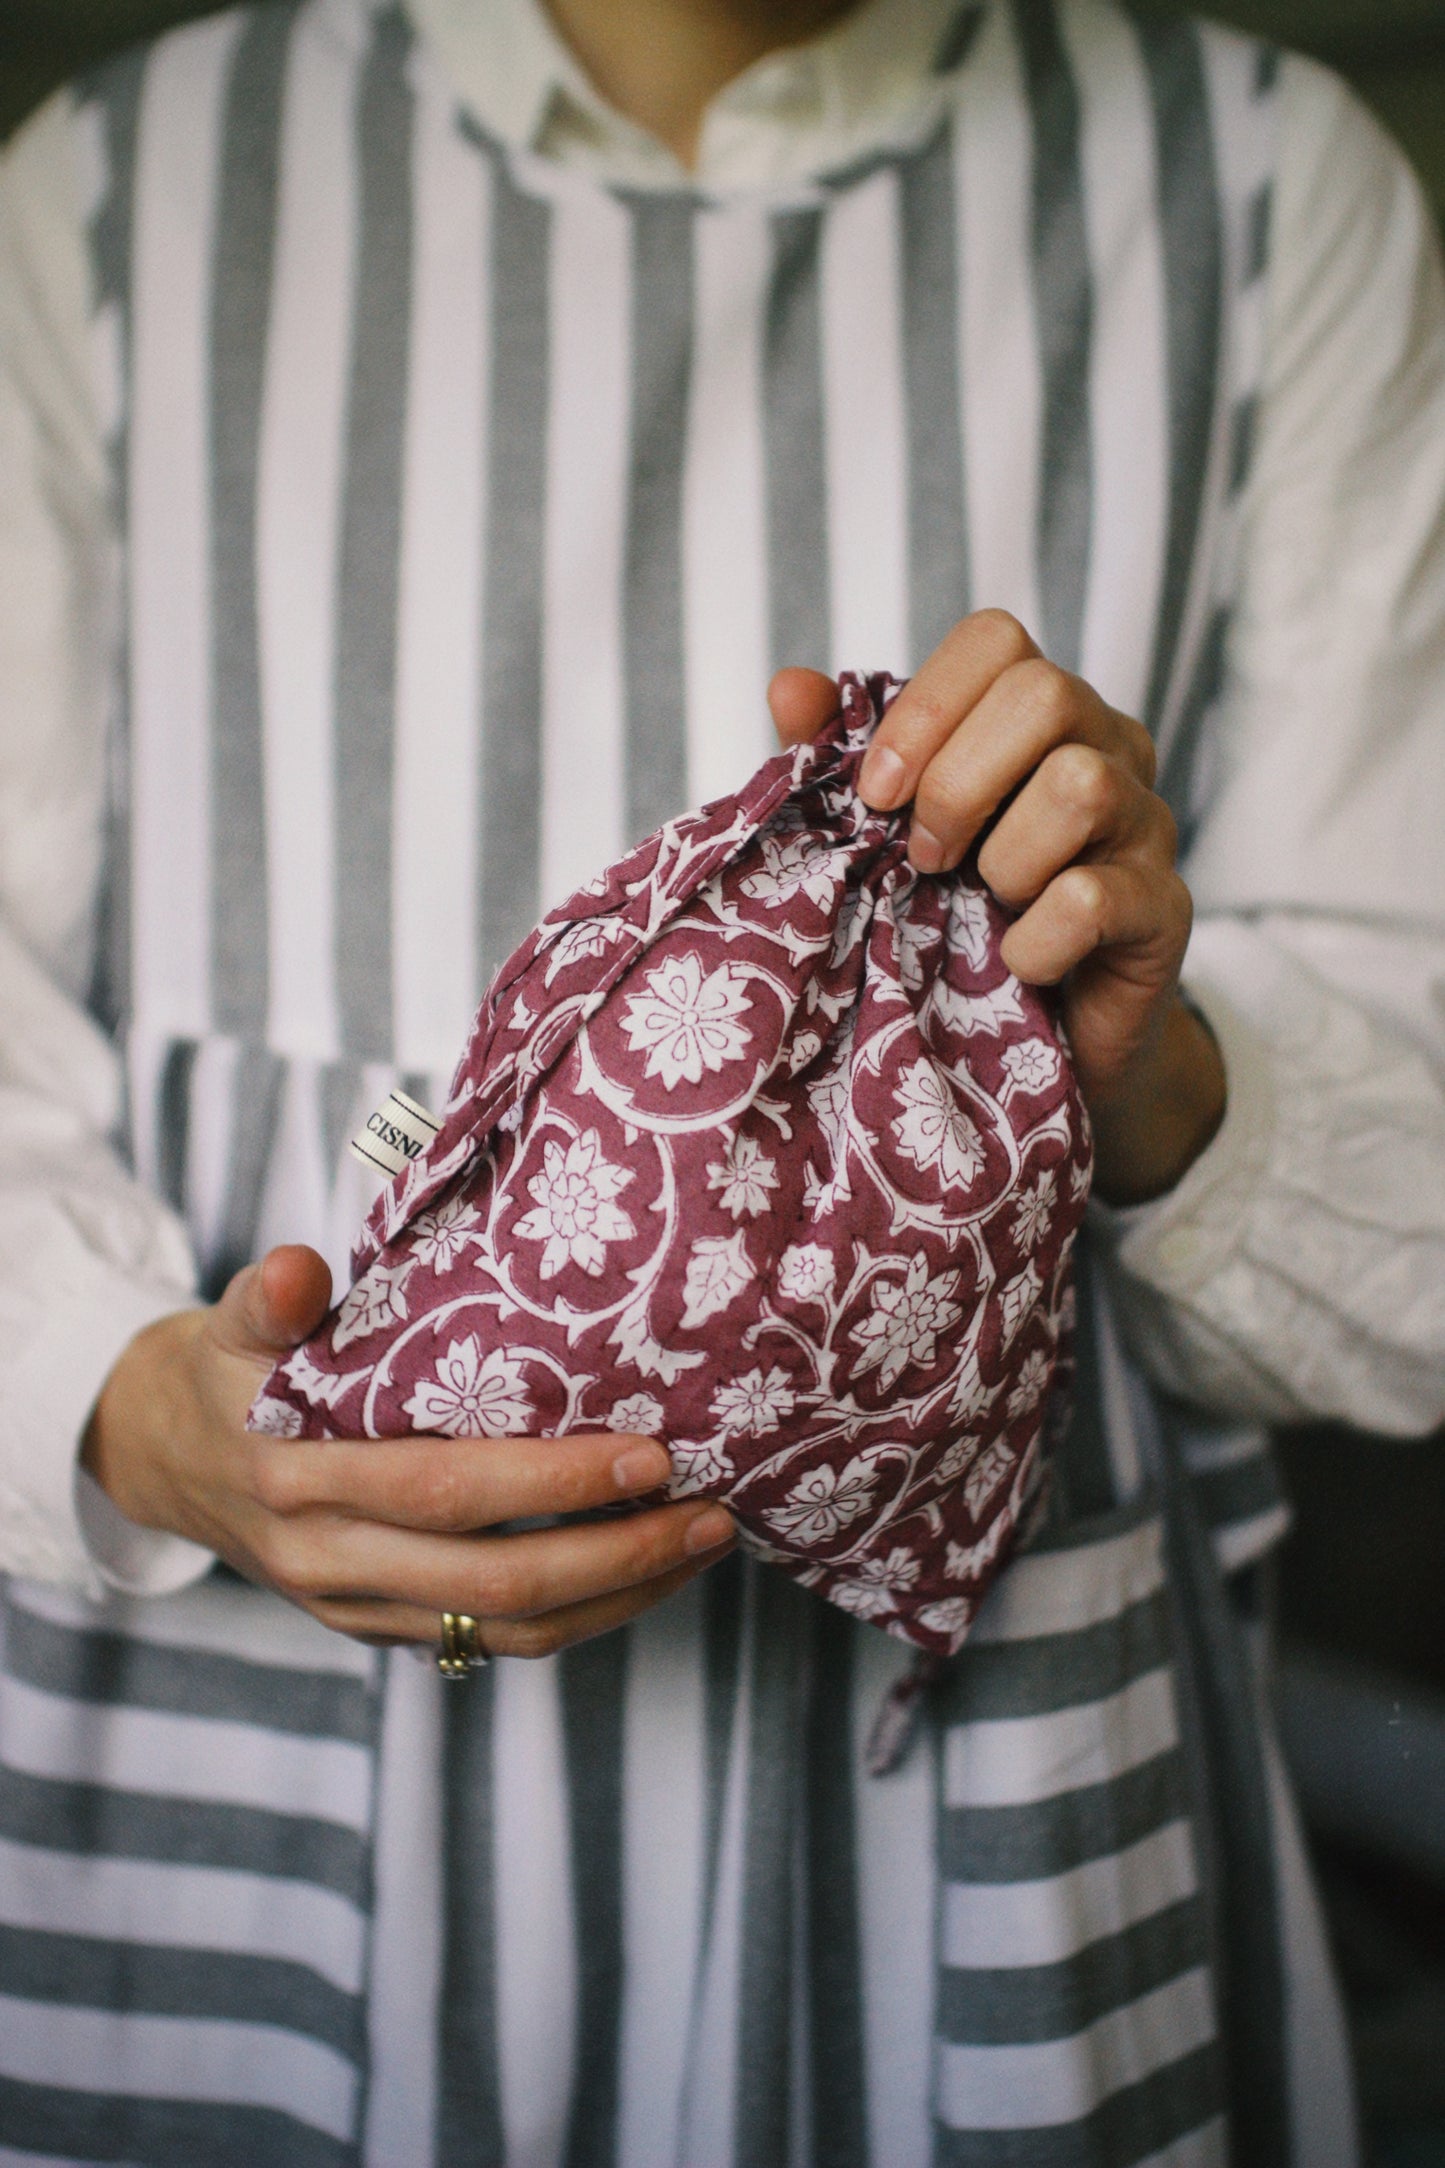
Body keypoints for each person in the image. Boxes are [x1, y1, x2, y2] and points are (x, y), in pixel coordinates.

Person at [1, 0, 1443, 2159]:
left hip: (986, 1850)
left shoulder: (1260, 196)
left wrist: (1142, 1064)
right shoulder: (112, 205)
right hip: (242, 1789)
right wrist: (123, 1399)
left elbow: (1413, 1217)